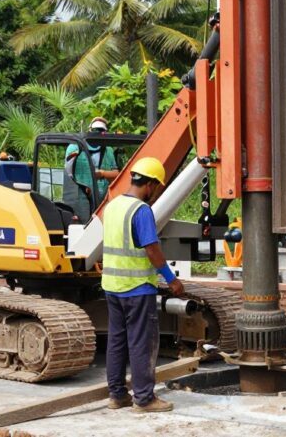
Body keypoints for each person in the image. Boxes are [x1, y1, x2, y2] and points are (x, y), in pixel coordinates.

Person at [102, 156, 183, 413]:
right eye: (156, 187)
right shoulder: (141, 211)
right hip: (137, 288)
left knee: (117, 341)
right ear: (149, 185)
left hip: (112, 286)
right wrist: (172, 280)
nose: (155, 192)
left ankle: (117, 395)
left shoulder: (112, 206)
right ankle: (145, 399)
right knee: (141, 343)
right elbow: (152, 250)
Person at [66, 117, 121, 218]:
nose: (98, 133)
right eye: (95, 130)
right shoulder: (76, 146)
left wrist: (102, 174)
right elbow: (69, 174)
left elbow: (117, 174)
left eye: (101, 130)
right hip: (81, 199)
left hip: (103, 200)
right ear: (89, 130)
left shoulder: (108, 150)